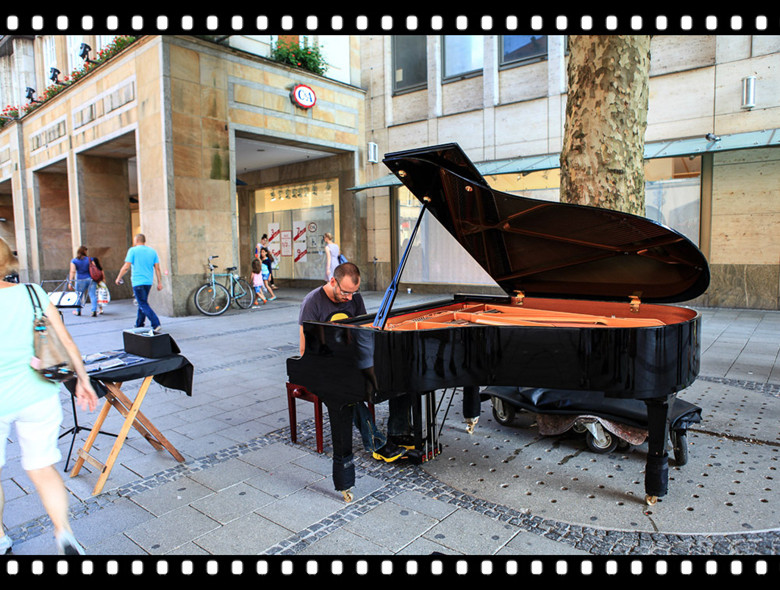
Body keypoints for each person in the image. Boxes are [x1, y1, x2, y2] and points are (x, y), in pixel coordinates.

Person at [0, 238, 99, 555]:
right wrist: (83, 380)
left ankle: (0, 539)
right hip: (39, 396)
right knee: (42, 467)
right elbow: (66, 340)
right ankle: (64, 534)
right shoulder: (33, 293)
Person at [298, 262, 405, 499]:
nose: (349, 298)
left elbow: (362, 333)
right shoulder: (312, 302)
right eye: (345, 292)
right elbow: (305, 348)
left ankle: (401, 432)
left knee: (398, 375)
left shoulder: (354, 298)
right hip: (323, 365)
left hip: (351, 360)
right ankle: (377, 443)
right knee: (346, 392)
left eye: (353, 293)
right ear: (333, 281)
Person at [115, 234, 163, 332]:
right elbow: (157, 268)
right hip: (148, 282)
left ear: (136, 240)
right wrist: (159, 282)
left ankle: (156, 323)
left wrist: (118, 278)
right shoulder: (152, 251)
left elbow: (126, 267)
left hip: (138, 282)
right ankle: (139, 324)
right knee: (142, 303)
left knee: (142, 303)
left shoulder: (132, 251)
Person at [68, 246, 99, 317]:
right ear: (85, 252)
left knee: (79, 296)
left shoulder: (74, 261)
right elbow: (95, 269)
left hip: (80, 280)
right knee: (93, 295)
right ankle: (94, 310)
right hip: (91, 279)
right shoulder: (90, 259)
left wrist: (70, 282)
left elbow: (72, 271)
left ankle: (78, 311)